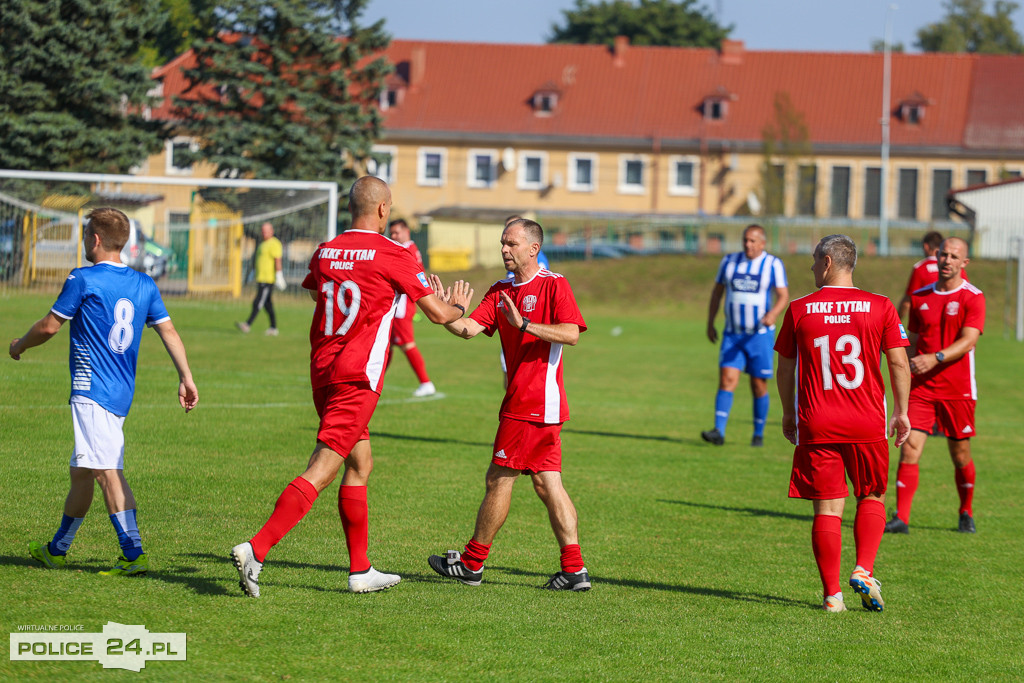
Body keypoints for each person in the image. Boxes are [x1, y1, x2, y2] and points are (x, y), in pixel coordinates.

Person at [230, 177, 469, 596]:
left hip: (322, 370)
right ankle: (257, 548)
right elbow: (436, 314)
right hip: (357, 376)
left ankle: (361, 571)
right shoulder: (393, 254)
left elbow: (317, 294)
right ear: (381, 210)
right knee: (322, 468)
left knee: (360, 465)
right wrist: (459, 304)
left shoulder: (326, 251)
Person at [10, 207, 199, 576]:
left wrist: (19, 345)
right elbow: (169, 332)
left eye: (85, 236)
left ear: (95, 239)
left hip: (92, 390)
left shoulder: (83, 279)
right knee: (82, 470)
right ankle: (56, 549)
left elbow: (50, 326)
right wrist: (186, 376)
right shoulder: (145, 284)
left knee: (107, 470)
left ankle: (133, 554)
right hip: (120, 392)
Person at [427, 218, 591, 591]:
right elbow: (468, 328)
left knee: (498, 479)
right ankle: (574, 569)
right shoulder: (500, 290)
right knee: (549, 485)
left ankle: (471, 563)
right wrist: (443, 310)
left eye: (512, 243)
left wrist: (524, 324)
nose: (504, 249)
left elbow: (571, 334)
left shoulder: (554, 285)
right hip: (533, 406)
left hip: (531, 404)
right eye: (502, 243)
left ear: (533, 249)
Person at [775, 234, 911, 613]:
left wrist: (788, 411)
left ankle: (832, 596)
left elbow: (785, 366)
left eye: (815, 261)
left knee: (827, 509)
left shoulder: (800, 309)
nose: (811, 267)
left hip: (818, 422)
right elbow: (899, 362)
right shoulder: (880, 306)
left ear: (829, 263)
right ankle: (864, 569)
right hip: (867, 421)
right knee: (871, 495)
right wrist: (901, 411)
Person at [885, 237, 985, 535]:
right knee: (909, 449)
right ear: (935, 256)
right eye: (944, 254)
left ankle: (965, 512)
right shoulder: (919, 296)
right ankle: (901, 518)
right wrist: (905, 364)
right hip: (922, 390)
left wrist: (935, 358)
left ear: (964, 263)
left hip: (958, 390)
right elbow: (913, 342)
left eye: (954, 257)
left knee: (960, 455)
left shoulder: (973, 297)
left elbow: (969, 341)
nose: (947, 260)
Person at [702, 224, 789, 447]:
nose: (748, 244)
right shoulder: (729, 262)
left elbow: (783, 295)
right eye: (745, 240)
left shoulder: (773, 264)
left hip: (759, 336)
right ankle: (718, 432)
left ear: (762, 243)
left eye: (752, 241)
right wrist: (710, 322)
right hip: (733, 334)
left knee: (758, 384)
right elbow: (717, 293)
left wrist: (773, 313)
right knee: (727, 380)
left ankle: (758, 433)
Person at [386, 218, 436, 397]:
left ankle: (426, 382)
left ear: (406, 231)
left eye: (396, 232)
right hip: (400, 305)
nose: (393, 236)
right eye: (391, 233)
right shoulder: (411, 250)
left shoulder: (406, 251)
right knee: (388, 344)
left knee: (407, 344)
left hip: (402, 306)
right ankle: (375, 378)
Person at [237, 221, 286, 336]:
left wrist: (279, 276)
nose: (264, 233)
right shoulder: (262, 244)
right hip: (261, 278)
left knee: (258, 302)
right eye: (263, 231)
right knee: (267, 305)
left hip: (268, 280)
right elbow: (259, 261)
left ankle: (247, 324)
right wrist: (253, 273)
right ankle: (273, 328)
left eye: (266, 231)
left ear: (272, 231)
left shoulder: (275, 244)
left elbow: (277, 260)